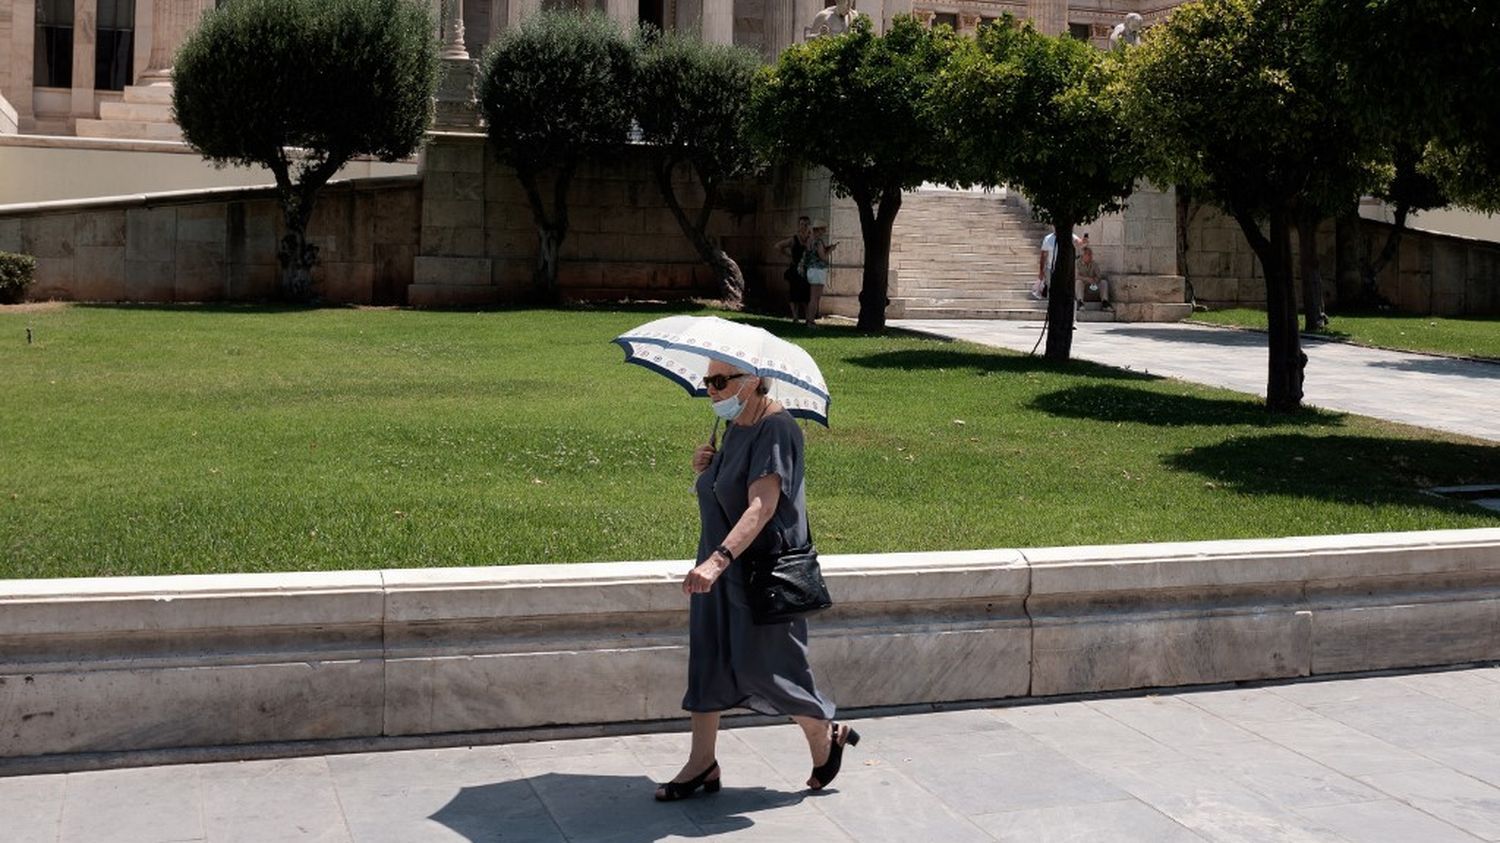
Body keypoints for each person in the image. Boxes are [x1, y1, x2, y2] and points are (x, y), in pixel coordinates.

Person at [655, 359, 858, 801]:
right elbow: (724, 491)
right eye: (707, 379)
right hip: (716, 566)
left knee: (767, 667)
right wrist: (706, 468)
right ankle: (701, 763)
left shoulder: (776, 429)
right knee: (707, 660)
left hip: (756, 571)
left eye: (719, 380)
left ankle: (825, 733)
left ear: (751, 384)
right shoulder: (734, 427)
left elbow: (761, 508)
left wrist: (718, 561)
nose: (709, 388)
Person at [774, 216, 812, 322]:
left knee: (806, 294)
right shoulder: (794, 239)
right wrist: (789, 256)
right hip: (795, 269)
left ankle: (808, 317)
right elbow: (778, 246)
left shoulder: (811, 239)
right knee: (794, 293)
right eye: (802, 224)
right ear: (798, 226)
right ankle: (795, 316)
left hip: (807, 270)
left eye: (806, 224)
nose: (804, 226)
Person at [801, 220, 837, 327]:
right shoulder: (818, 241)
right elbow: (823, 257)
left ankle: (809, 319)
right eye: (823, 229)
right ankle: (810, 321)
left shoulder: (809, 240)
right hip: (818, 270)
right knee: (815, 298)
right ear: (819, 229)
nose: (825, 231)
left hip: (811, 269)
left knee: (813, 297)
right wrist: (831, 250)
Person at [1032, 230, 1087, 300]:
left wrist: (1084, 241)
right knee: (1053, 289)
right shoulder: (1048, 238)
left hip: (1064, 268)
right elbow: (1043, 256)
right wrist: (1041, 271)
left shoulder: (1069, 236)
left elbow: (1079, 242)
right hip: (1051, 269)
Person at [1075, 246, 1113, 311]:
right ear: (1083, 255)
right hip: (1081, 289)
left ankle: (1105, 302)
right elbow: (1075, 276)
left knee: (1103, 282)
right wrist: (1087, 279)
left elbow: (1099, 276)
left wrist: (1095, 280)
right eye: (1089, 254)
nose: (1091, 256)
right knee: (1079, 282)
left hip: (1092, 288)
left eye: (1091, 254)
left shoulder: (1094, 264)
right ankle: (1080, 302)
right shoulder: (1076, 264)